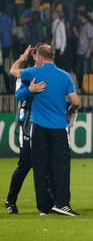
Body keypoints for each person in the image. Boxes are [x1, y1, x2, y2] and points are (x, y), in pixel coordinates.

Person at [10, 44, 81, 216]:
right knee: (61, 167)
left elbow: (13, 70)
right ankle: (61, 203)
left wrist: (22, 57)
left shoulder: (33, 73)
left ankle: (43, 208)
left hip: (38, 127)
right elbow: (76, 102)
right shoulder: (64, 76)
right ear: (52, 57)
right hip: (58, 128)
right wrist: (69, 111)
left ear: (39, 58)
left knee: (40, 168)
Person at [5, 73, 46, 213]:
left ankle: (50, 202)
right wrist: (30, 89)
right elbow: (19, 95)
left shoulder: (47, 73)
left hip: (43, 123)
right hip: (27, 126)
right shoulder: (25, 74)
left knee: (47, 165)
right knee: (25, 164)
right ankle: (10, 200)